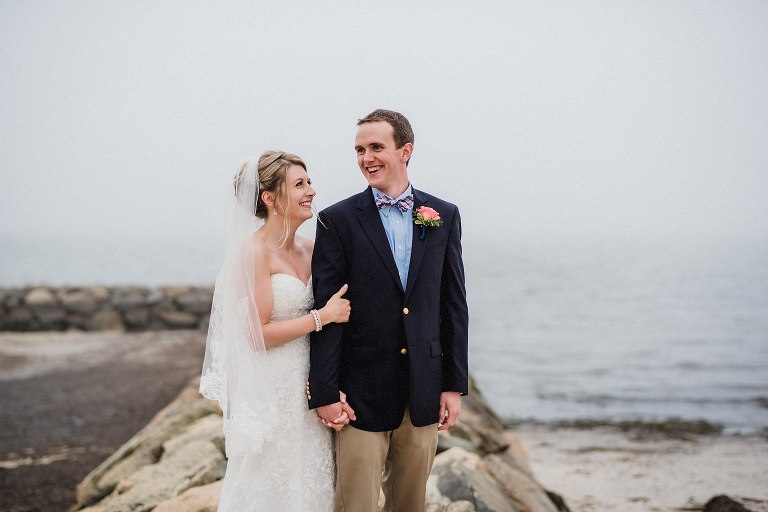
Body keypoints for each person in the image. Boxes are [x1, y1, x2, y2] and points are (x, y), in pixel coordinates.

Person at [308, 109, 469, 512]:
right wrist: (325, 392)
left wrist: (453, 385)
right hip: (359, 395)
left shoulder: (444, 215)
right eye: (360, 150)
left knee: (410, 505)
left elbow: (452, 305)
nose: (366, 158)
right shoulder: (336, 221)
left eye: (376, 147)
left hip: (423, 391)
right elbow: (327, 312)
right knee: (354, 505)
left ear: (405, 151)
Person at [200, 151, 353, 511]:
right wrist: (322, 317)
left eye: (309, 181)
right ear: (269, 198)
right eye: (299, 184)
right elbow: (257, 335)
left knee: (311, 485)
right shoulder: (254, 252)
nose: (311, 191)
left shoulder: (311, 249)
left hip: (309, 387)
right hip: (271, 389)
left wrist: (333, 381)